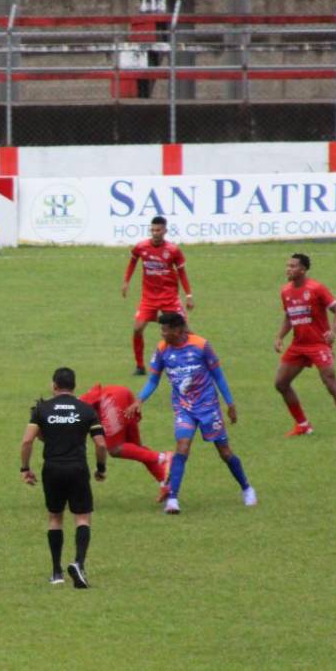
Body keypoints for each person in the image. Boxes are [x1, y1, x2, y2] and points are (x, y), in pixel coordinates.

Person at [134, 312, 256, 514]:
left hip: (209, 408)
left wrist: (230, 403)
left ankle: (247, 488)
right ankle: (173, 500)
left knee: (225, 453)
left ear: (177, 330)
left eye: (165, 329)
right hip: (184, 408)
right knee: (182, 447)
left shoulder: (201, 345)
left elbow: (218, 375)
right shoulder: (162, 349)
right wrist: (139, 399)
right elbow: (153, 380)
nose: (162, 333)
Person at [20, 367, 108, 588]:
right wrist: (100, 467)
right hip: (77, 469)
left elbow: (28, 441)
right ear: (74, 386)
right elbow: (101, 444)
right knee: (82, 518)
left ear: (54, 386)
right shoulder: (87, 410)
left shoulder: (42, 409)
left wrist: (25, 468)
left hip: (52, 469)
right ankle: (78, 563)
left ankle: (57, 572)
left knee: (55, 518)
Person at [274, 253, 336, 439]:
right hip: (298, 345)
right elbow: (289, 316)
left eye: (293, 266)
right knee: (281, 383)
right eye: (287, 265)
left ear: (303, 270)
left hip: (318, 345)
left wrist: (333, 331)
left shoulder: (316, 288)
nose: (288, 269)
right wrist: (280, 336)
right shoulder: (285, 291)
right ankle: (303, 425)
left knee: (330, 384)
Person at [121, 216, 194, 375]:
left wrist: (188, 295)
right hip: (149, 298)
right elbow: (133, 261)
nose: (155, 233)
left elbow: (182, 273)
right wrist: (126, 281)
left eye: (158, 230)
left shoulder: (173, 250)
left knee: (185, 330)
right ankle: (140, 366)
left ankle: (197, 358)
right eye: (153, 230)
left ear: (165, 231)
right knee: (137, 329)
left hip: (169, 298)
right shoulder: (141, 247)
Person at [78, 383, 171, 502]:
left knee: (115, 449)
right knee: (136, 449)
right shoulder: (70, 410)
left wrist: (101, 469)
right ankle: (165, 483)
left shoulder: (71, 419)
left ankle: (163, 457)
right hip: (120, 392)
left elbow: (100, 445)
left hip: (110, 399)